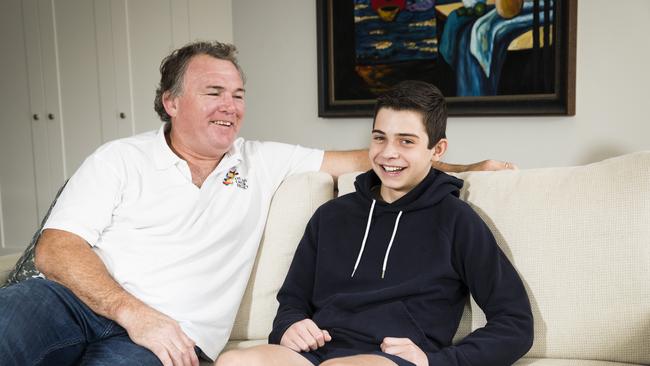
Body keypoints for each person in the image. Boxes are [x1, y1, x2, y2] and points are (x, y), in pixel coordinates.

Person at [0, 42, 515, 366]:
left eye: (239, 94)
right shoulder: (118, 158)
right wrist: (136, 313)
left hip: (170, 341)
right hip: (75, 302)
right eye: (213, 92)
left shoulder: (262, 160)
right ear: (171, 102)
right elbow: (56, 250)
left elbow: (381, 156)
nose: (231, 106)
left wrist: (466, 170)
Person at [215, 80, 533, 366]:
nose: (388, 153)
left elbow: (515, 323)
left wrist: (437, 362)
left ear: (437, 150)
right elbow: (293, 299)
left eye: (406, 142)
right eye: (380, 138)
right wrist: (290, 325)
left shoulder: (457, 220)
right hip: (314, 355)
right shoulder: (331, 215)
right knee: (233, 362)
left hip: (388, 359)